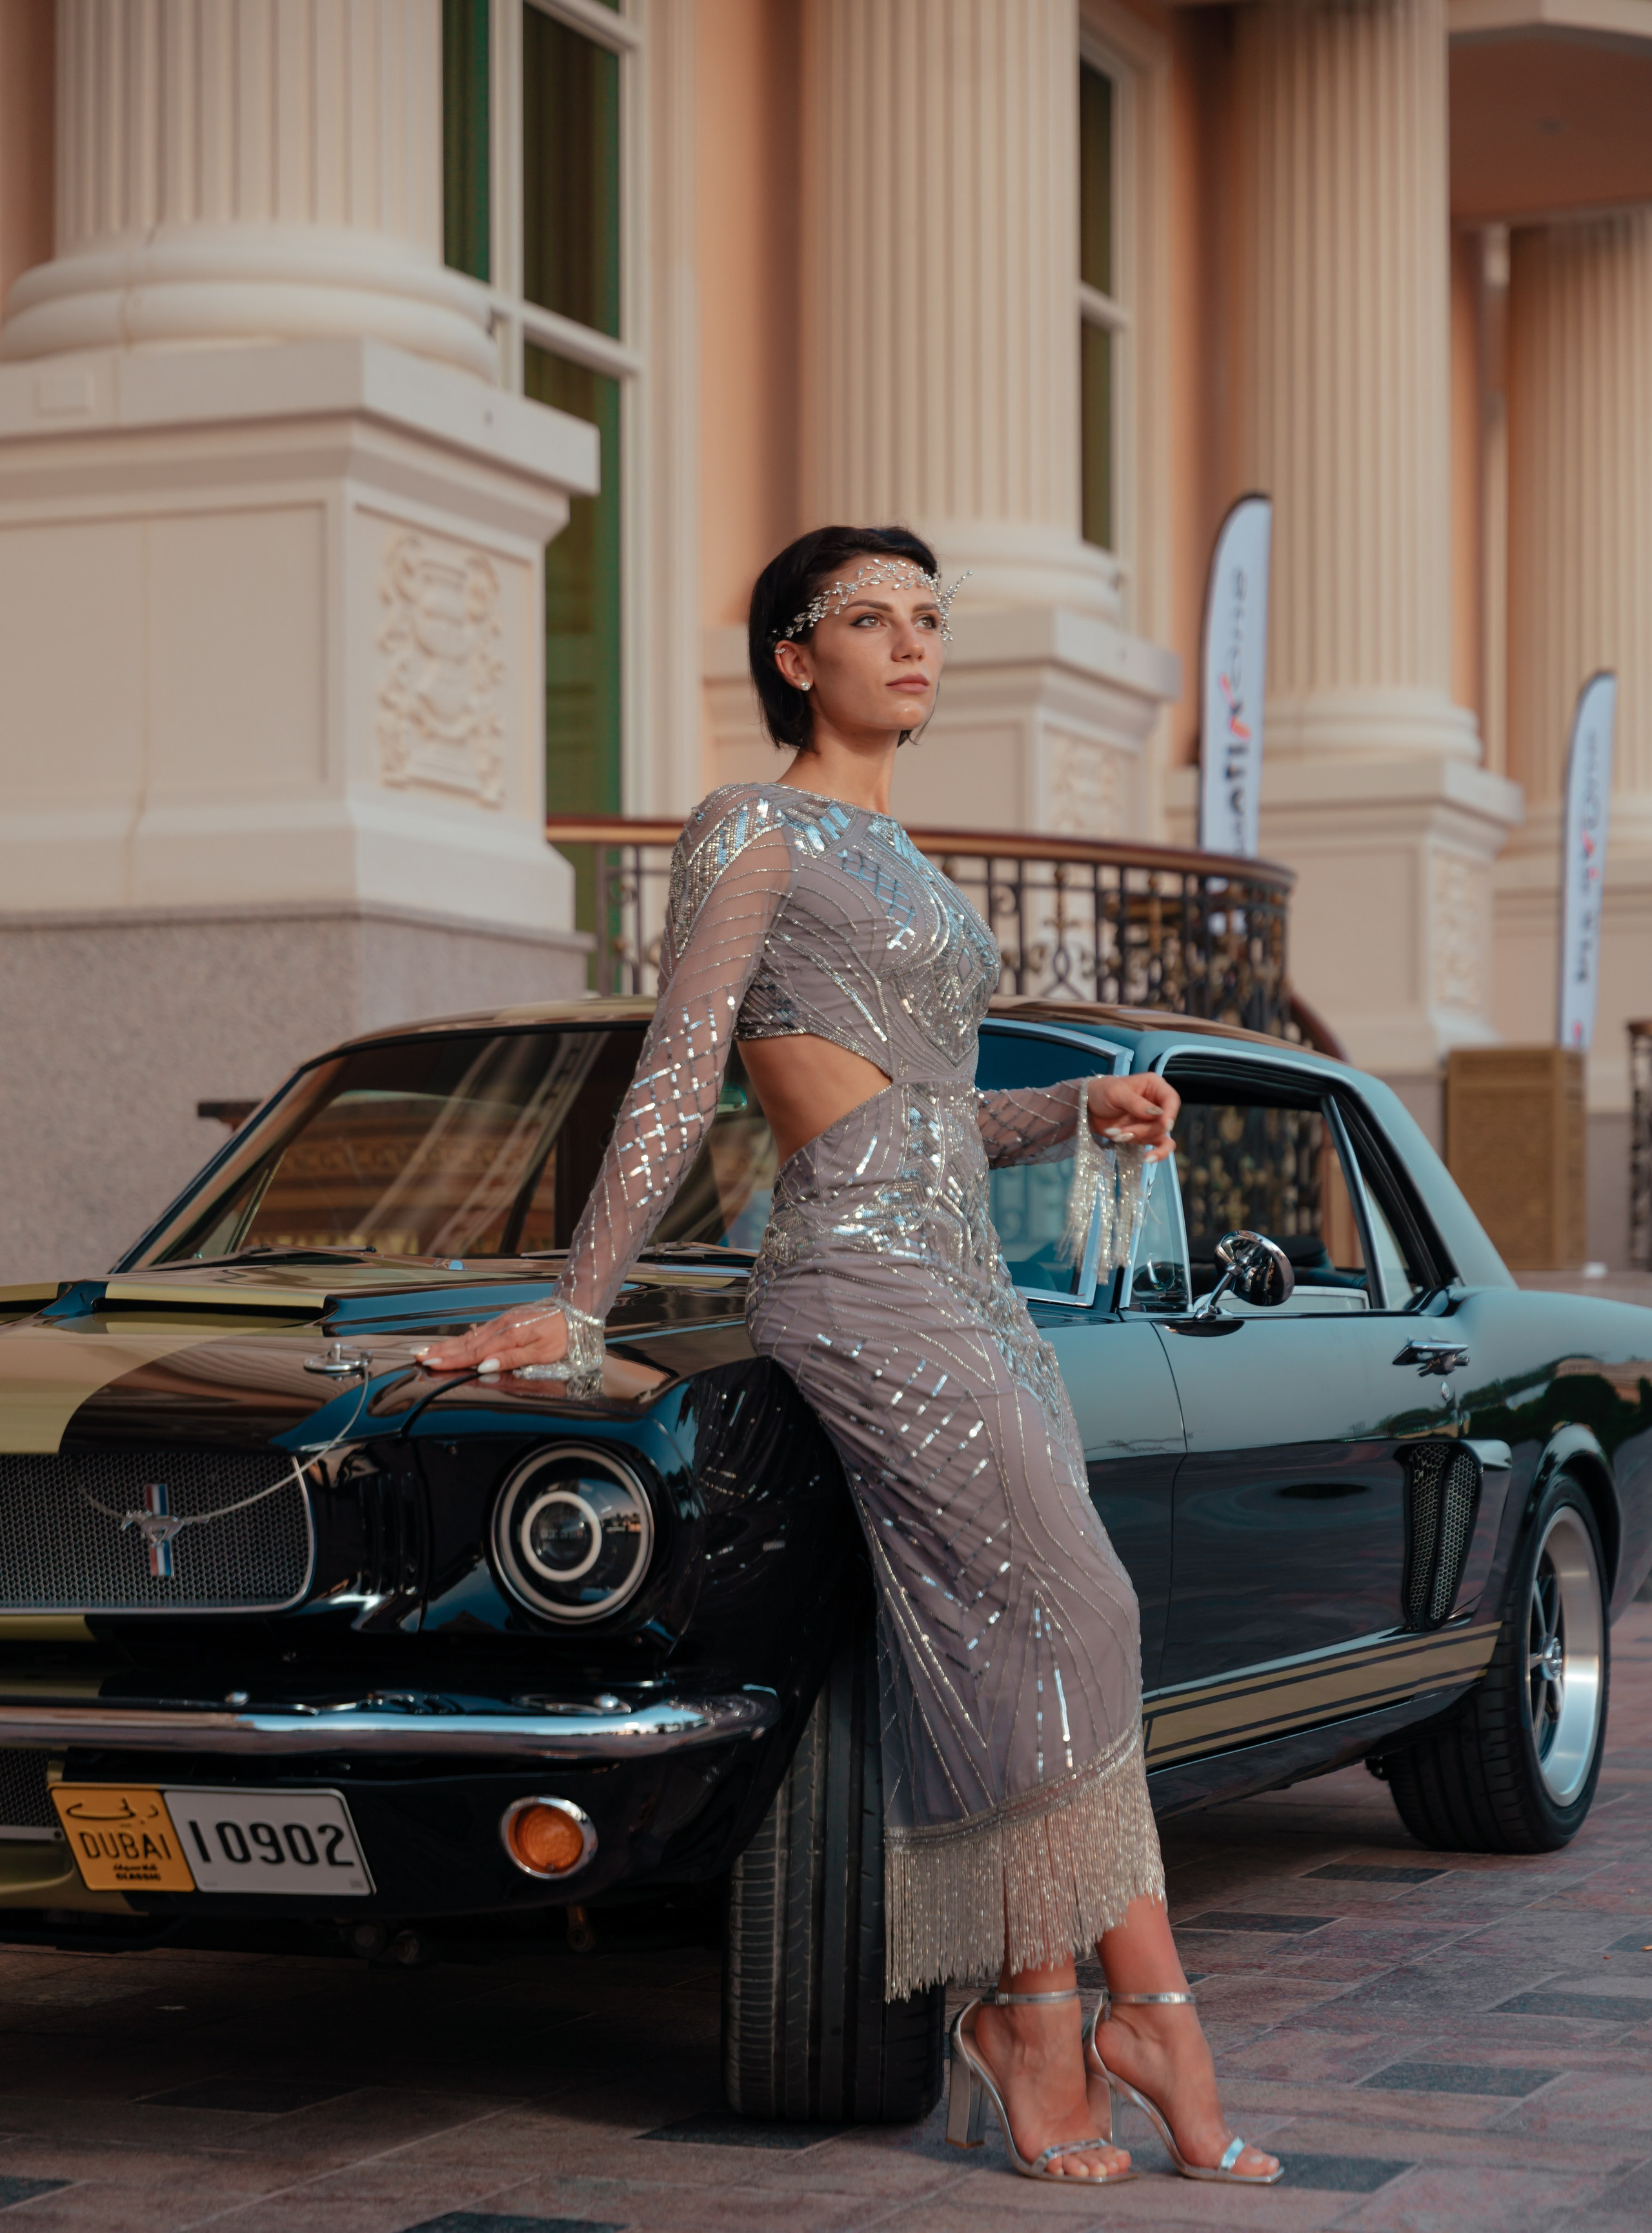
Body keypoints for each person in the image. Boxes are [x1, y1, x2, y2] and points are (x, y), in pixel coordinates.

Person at [418, 525, 1280, 2189]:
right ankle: (1137, 2015)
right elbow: (684, 1068)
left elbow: (934, 1117)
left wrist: (1077, 1106)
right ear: (794, 658)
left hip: (969, 1283)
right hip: (859, 1283)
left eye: (929, 617)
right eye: (868, 618)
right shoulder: (751, 826)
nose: (911, 643)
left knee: (1039, 1635)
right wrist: (581, 1302)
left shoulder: (909, 863)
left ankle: (1048, 2010)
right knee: (1079, 1611)